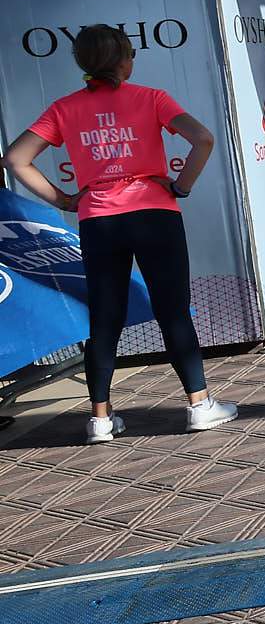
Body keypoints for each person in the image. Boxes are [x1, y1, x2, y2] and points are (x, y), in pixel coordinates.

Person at [3, 25, 239, 444]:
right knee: (173, 310)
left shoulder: (64, 108)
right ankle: (199, 405)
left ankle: (99, 419)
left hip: (98, 219)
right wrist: (181, 186)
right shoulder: (151, 98)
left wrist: (63, 200)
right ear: (125, 61)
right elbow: (203, 139)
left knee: (105, 317)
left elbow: (15, 158)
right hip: (154, 213)